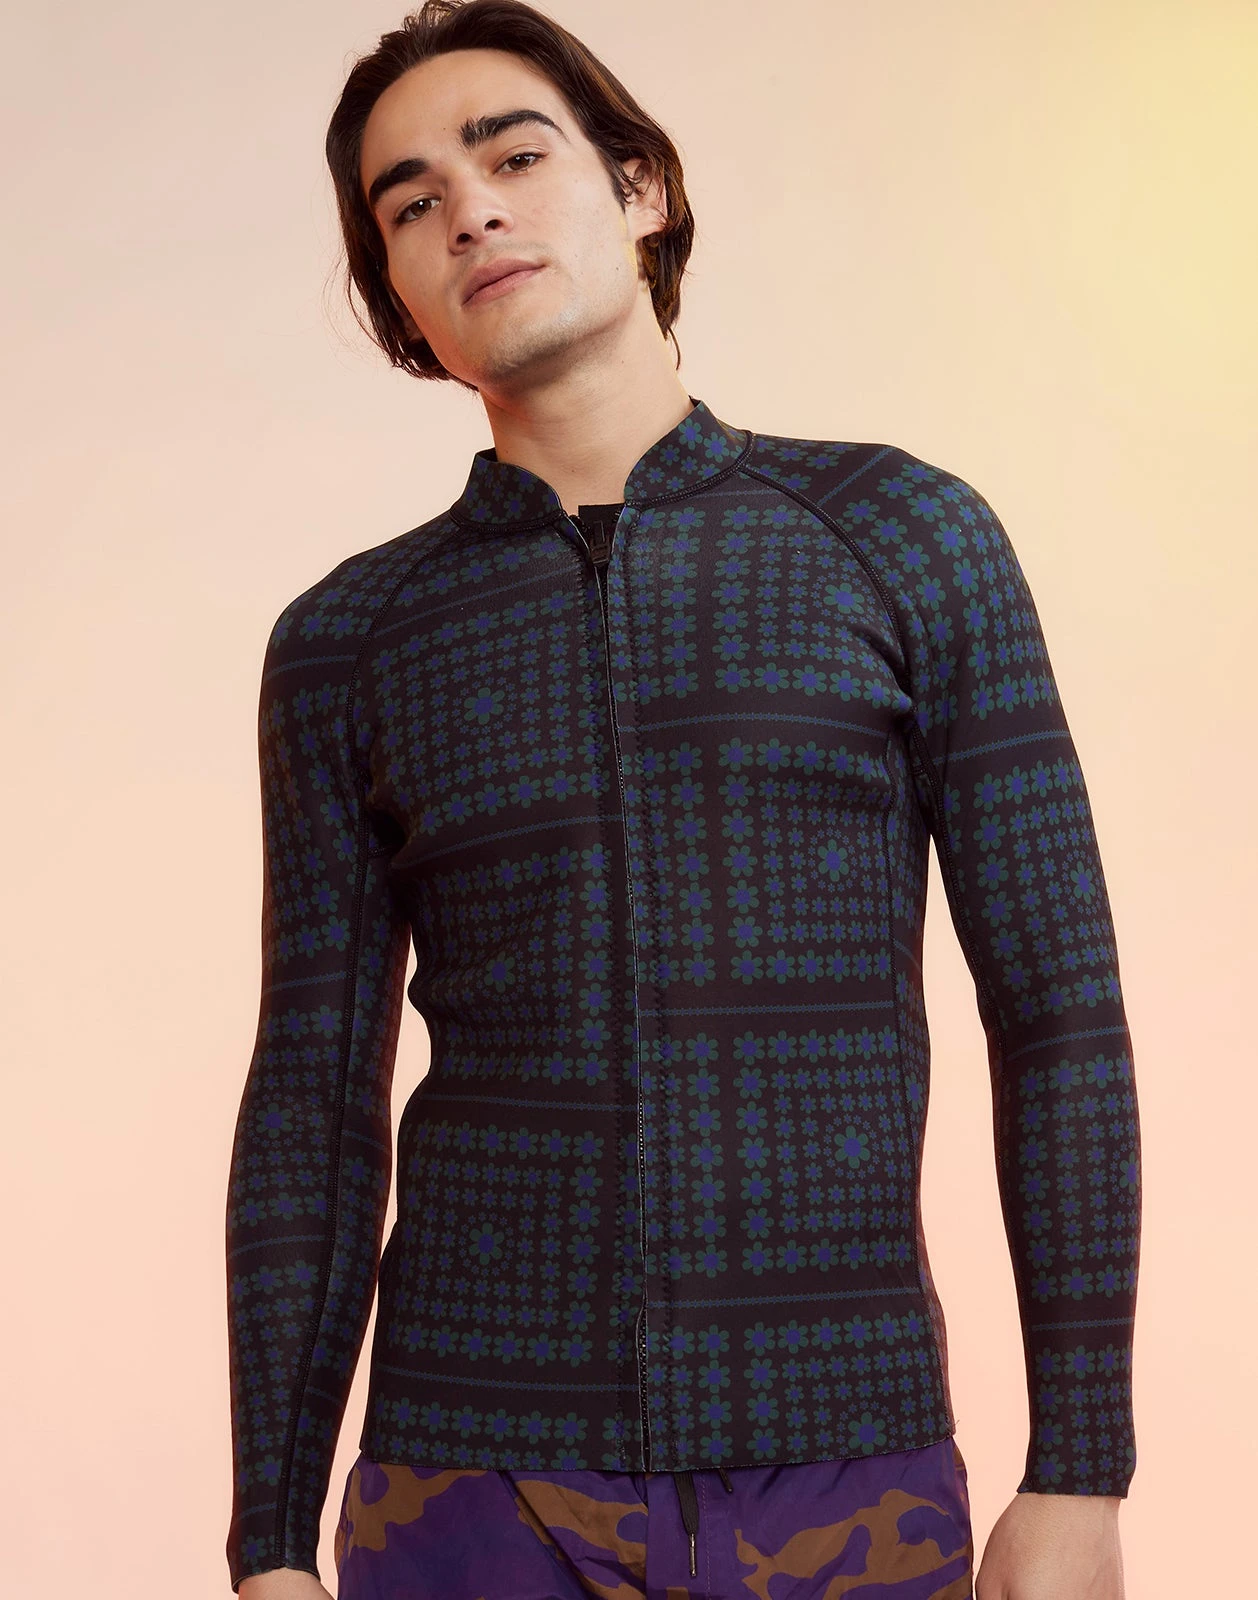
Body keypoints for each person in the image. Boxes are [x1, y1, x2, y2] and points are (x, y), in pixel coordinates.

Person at [224, 3, 1142, 1597]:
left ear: (638, 188)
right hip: (465, 1490)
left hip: (844, 1466)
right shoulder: (348, 639)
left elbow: (1057, 1013)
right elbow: (310, 1097)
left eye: (513, 158)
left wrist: (1081, 1468)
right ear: (397, 301)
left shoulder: (903, 535)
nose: (469, 212)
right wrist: (266, 1545)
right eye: (410, 204)